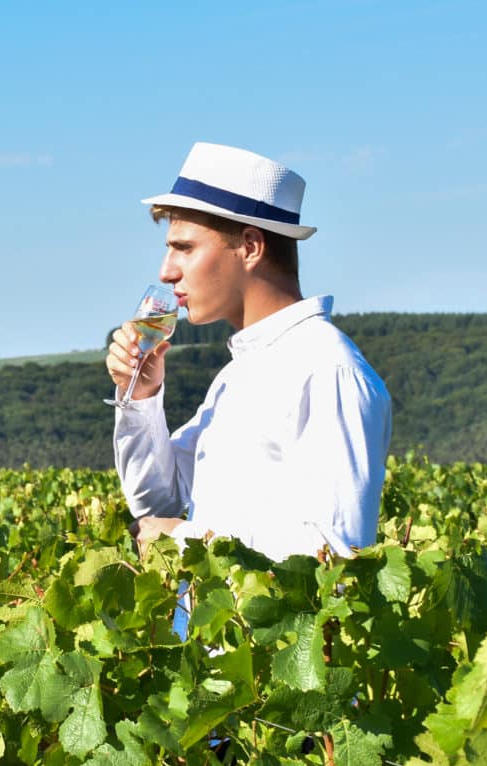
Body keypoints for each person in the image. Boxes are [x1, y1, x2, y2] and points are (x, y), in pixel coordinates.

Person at [107, 142, 391, 636]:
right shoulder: (236, 377)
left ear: (251, 247)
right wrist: (143, 396)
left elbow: (336, 557)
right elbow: (160, 502)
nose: (165, 271)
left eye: (185, 247)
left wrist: (188, 541)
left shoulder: (327, 368)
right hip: (219, 679)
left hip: (279, 697)